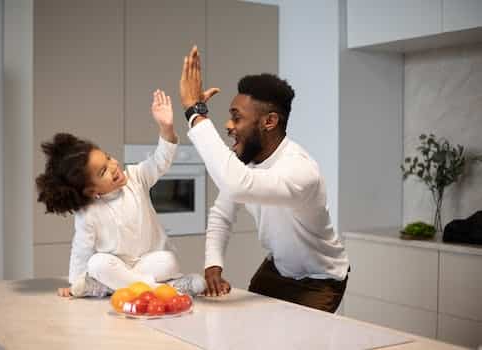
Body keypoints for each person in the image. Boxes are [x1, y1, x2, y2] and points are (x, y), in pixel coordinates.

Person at [179, 46, 350, 313]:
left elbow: (236, 184)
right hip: (278, 267)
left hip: (319, 280)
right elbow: (222, 213)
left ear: (269, 121)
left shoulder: (300, 171)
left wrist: (195, 112)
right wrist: (214, 264)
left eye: (237, 117)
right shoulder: (245, 162)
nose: (228, 125)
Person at [35, 90, 205, 298]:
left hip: (148, 263)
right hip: (116, 267)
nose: (113, 166)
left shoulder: (136, 177)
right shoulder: (88, 214)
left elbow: (161, 160)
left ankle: (110, 288)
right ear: (91, 190)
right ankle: (166, 290)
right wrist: (74, 284)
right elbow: (81, 250)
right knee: (97, 263)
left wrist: (166, 127)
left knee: (169, 260)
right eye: (103, 171)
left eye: (108, 158)